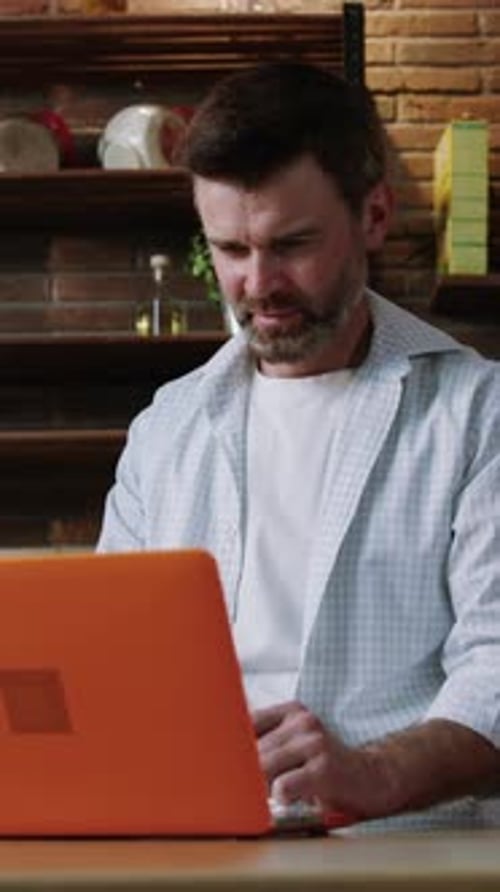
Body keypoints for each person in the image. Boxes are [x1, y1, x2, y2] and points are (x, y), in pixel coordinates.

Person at [97, 61, 500, 831]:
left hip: (399, 846)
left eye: (293, 244)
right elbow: (114, 661)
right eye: (230, 250)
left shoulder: (479, 412)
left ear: (374, 215)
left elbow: (497, 663)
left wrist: (374, 773)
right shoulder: (165, 429)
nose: (258, 284)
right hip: (192, 837)